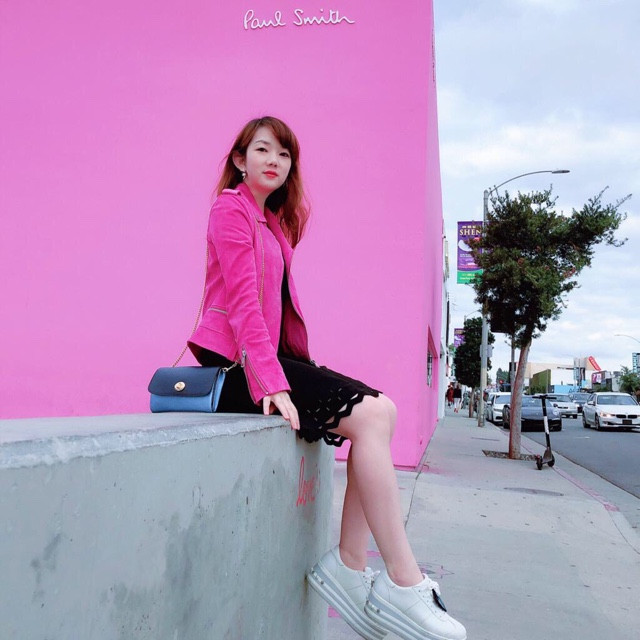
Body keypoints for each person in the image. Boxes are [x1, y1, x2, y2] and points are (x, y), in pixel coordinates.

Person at [187, 116, 466, 640]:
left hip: (270, 359)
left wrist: (294, 368)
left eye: (284, 154)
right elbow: (244, 304)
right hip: (237, 367)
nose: (274, 160)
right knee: (371, 416)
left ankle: (351, 565)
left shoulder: (272, 222)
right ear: (240, 159)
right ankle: (403, 581)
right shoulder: (230, 208)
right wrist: (271, 381)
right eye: (262, 150)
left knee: (383, 411)